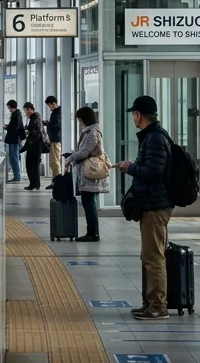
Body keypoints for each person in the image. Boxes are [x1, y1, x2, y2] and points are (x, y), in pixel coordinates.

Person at [115, 95, 173, 320]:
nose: (133, 118)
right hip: (151, 203)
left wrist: (130, 168)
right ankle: (150, 302)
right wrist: (133, 166)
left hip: (156, 205)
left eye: (133, 114)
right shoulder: (152, 136)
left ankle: (158, 306)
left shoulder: (155, 138)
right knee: (149, 255)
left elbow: (153, 172)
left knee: (154, 256)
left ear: (139, 115)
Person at [65, 107, 109, 241]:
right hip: (88, 170)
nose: (79, 122)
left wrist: (70, 158)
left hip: (91, 171)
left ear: (84, 119)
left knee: (89, 202)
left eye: (79, 119)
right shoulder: (90, 132)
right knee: (88, 202)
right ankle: (92, 232)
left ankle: (93, 233)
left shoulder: (92, 133)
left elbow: (85, 152)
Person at [22, 102, 44, 191]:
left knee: (31, 165)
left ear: (32, 109)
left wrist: (27, 131)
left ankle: (33, 184)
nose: (27, 112)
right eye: (25, 110)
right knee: (33, 165)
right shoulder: (33, 117)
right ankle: (35, 184)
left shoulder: (35, 117)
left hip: (35, 145)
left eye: (28, 110)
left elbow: (36, 131)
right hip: (35, 144)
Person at [3, 100, 25, 183]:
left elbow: (15, 127)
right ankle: (17, 176)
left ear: (12, 107)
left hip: (14, 139)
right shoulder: (17, 114)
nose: (9, 109)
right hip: (15, 139)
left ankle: (17, 176)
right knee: (15, 157)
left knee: (14, 158)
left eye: (9, 107)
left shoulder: (16, 115)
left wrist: (7, 127)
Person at [44, 96, 62, 188]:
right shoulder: (56, 112)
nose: (49, 107)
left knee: (54, 162)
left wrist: (48, 124)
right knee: (53, 162)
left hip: (56, 140)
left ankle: (57, 182)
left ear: (53, 103)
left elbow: (57, 126)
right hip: (54, 140)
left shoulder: (57, 113)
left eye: (49, 105)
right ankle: (55, 181)